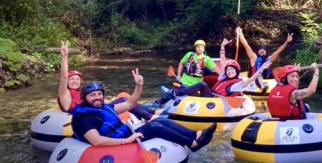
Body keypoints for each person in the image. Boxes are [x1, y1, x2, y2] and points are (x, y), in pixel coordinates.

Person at [71, 68, 216, 151]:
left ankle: (196, 134)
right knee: (156, 127)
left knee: (158, 120)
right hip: (121, 142)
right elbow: (96, 141)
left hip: (126, 136)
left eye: (99, 94)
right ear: (84, 98)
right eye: (92, 95)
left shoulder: (104, 107)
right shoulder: (85, 118)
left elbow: (130, 104)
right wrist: (127, 141)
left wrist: (139, 86)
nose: (97, 97)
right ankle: (193, 144)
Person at [57, 40, 154, 120]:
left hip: (94, 110)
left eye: (77, 79)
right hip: (86, 117)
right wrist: (65, 57)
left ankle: (152, 113)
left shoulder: (81, 94)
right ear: (67, 82)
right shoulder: (65, 94)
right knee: (124, 100)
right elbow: (64, 76)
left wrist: (107, 101)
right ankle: (151, 117)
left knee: (123, 97)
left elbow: (92, 102)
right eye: (72, 79)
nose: (75, 81)